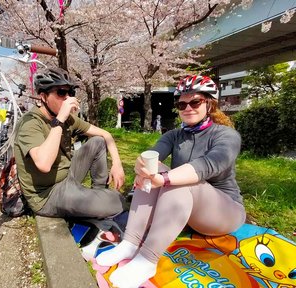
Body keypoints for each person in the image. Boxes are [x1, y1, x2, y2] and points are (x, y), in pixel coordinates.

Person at [96, 75, 246, 288]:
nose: (188, 108)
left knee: (176, 182)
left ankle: (148, 259)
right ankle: (130, 242)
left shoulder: (226, 136)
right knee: (153, 169)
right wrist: (143, 168)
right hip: (187, 210)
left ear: (210, 104)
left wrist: (164, 179)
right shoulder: (175, 135)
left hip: (224, 212)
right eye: (181, 104)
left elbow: (208, 165)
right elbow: (151, 155)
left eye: (195, 102)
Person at [13, 67, 127, 219]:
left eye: (70, 93)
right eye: (61, 92)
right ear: (43, 96)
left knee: (98, 141)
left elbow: (105, 134)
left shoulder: (67, 118)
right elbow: (44, 164)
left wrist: (117, 164)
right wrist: (59, 119)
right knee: (118, 202)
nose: (67, 98)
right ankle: (98, 203)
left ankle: (98, 192)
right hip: (48, 195)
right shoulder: (30, 123)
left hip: (68, 176)